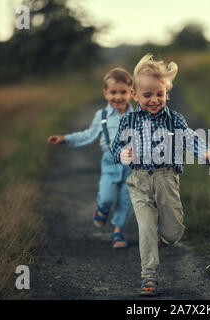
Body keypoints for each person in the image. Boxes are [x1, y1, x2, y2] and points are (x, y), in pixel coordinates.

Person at [111, 54, 210, 296]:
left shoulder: (174, 120)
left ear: (166, 94)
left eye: (159, 94)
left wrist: (207, 153)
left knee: (173, 233)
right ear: (135, 95)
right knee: (146, 228)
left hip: (166, 179)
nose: (154, 100)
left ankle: (162, 239)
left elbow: (191, 140)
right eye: (147, 95)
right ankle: (149, 277)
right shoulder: (129, 120)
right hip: (138, 181)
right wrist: (123, 154)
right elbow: (116, 147)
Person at [47, 68, 134, 249]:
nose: (118, 97)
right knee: (107, 197)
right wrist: (65, 139)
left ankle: (118, 231)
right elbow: (88, 134)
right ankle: (102, 208)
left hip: (132, 166)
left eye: (123, 92)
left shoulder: (137, 116)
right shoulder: (101, 116)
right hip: (110, 162)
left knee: (126, 200)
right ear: (105, 93)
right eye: (113, 92)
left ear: (132, 93)